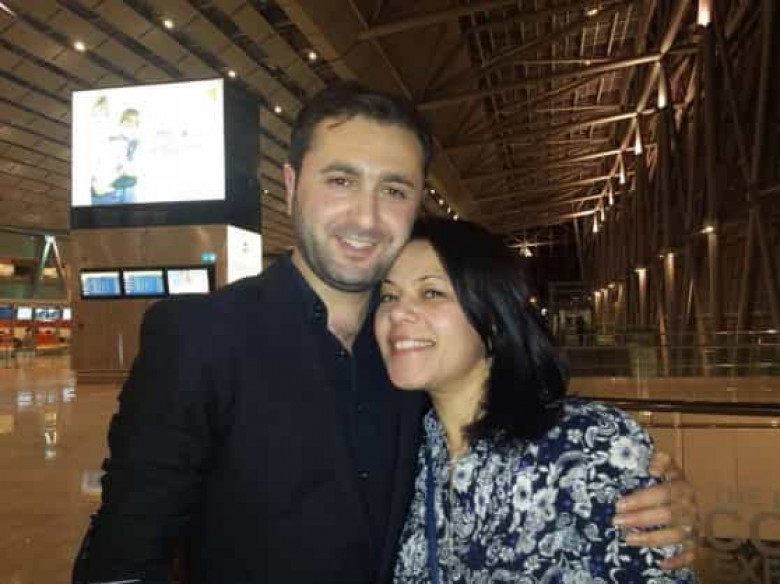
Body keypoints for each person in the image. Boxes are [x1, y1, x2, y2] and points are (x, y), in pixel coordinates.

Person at [73, 83, 697, 584]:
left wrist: (643, 489)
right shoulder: (201, 338)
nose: (366, 217)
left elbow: (521, 427)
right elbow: (124, 552)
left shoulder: (416, 350)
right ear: (290, 185)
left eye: (393, 189)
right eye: (340, 180)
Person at [375, 217, 695, 583]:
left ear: (494, 317)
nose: (397, 312)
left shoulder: (589, 446)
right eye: (388, 296)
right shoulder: (407, 457)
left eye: (432, 292)